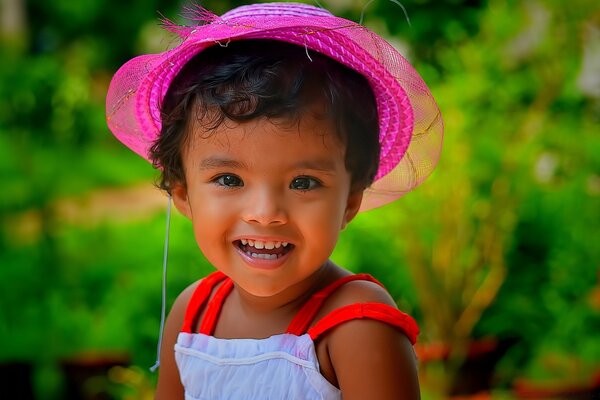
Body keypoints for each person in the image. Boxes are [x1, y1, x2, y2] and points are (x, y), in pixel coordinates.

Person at [106, 2, 442, 399]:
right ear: (183, 194)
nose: (265, 214)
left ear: (350, 200)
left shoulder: (355, 327)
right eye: (229, 179)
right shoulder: (192, 314)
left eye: (303, 183)